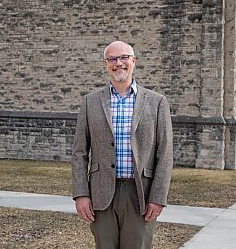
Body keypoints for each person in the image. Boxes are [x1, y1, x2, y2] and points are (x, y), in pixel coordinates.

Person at [71, 40, 173, 249]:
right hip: (101, 193)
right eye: (112, 59)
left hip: (140, 194)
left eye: (124, 57)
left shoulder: (156, 102)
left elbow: (165, 153)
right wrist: (81, 194)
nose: (119, 63)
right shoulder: (90, 102)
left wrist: (158, 196)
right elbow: (79, 152)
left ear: (133, 61)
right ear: (106, 64)